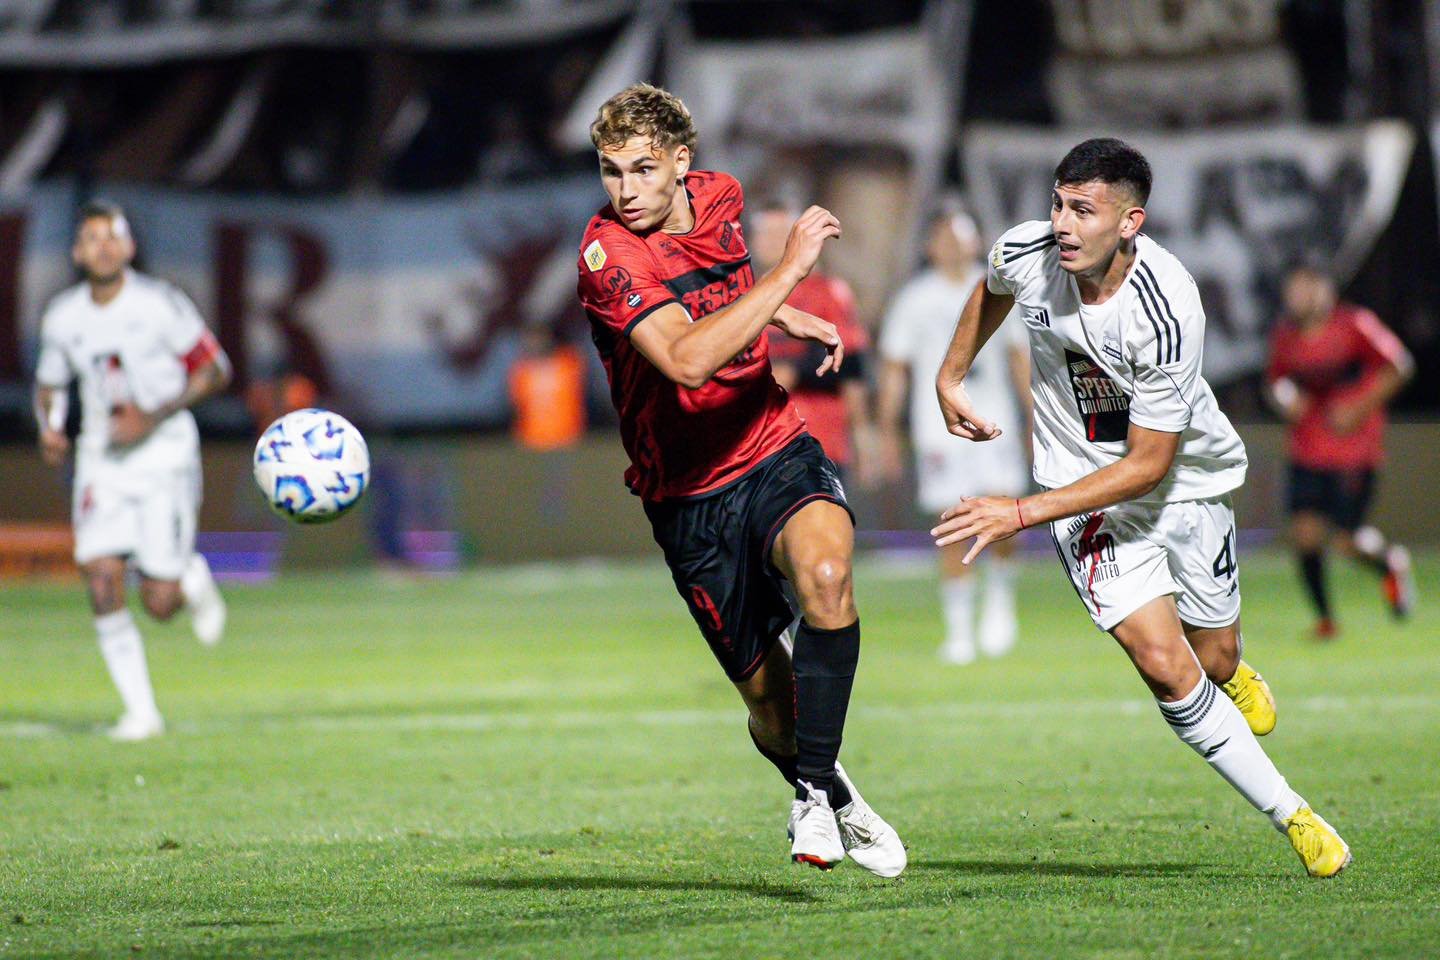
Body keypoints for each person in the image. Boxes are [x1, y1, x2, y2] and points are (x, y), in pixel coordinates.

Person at [930, 139, 1351, 877]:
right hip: (1080, 496)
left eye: (1082, 210)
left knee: (1214, 658)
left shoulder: (1165, 308)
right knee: (1164, 665)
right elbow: (992, 287)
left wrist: (1020, 514)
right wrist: (951, 374)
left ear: (1129, 223)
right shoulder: (1027, 252)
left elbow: (1148, 464)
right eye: (1058, 203)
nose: (1060, 223)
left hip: (1180, 484)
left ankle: (1235, 670)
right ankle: (1295, 814)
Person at [575, 83, 904, 875]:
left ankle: (812, 797)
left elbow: (720, 292)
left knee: (828, 576)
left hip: (772, 443)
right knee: (767, 704)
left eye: (643, 170)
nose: (625, 191)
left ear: (682, 164)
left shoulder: (722, 198)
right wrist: (791, 277)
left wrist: (782, 314)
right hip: (688, 496)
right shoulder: (606, 255)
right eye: (611, 172)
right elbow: (686, 360)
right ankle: (836, 795)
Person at [33, 201, 231, 741]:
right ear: (76, 252)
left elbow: (215, 369)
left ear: (128, 247)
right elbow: (50, 385)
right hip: (102, 461)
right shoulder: (62, 316)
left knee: (159, 604)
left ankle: (187, 576)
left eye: (110, 236)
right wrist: (50, 426)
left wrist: (154, 414)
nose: (101, 246)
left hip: (164, 454)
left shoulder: (160, 304)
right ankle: (142, 713)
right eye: (90, 238)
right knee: (100, 575)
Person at [877, 201, 1031, 664]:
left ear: (977, 242)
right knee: (953, 525)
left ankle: (1000, 603)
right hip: (939, 429)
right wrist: (887, 426)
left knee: (1006, 517)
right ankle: (960, 628)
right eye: (943, 237)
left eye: (961, 236)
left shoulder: (998, 291)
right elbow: (895, 366)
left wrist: (1033, 419)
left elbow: (1019, 359)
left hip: (997, 419)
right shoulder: (915, 298)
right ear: (929, 246)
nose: (952, 245)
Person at [1265, 260, 1415, 639]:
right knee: (1305, 534)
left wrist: (1357, 409)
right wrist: (1286, 401)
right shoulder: (1285, 335)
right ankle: (1326, 620)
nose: (1297, 297)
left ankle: (1389, 563)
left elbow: (1399, 365)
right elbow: (1276, 381)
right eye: (1293, 289)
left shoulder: (1354, 325)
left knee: (1348, 541)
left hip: (1353, 453)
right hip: (1306, 450)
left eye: (1305, 287)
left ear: (1324, 290)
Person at [748, 194, 874, 486]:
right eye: (765, 233)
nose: (772, 242)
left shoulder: (827, 292)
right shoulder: (741, 297)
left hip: (817, 437)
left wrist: (863, 434)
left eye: (781, 234)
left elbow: (850, 365)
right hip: (755, 443)